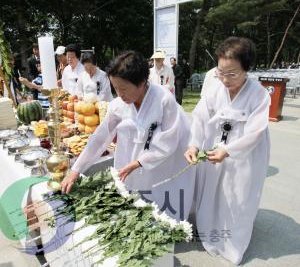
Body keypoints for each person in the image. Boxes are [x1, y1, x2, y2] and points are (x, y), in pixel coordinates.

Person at [61, 51, 195, 221]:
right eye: (115, 88)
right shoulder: (119, 105)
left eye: (123, 89)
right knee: (138, 200)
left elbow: (169, 139)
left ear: (141, 83)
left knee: (161, 201)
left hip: (164, 160)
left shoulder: (163, 100)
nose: (119, 94)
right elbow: (101, 137)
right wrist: (76, 169)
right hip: (134, 160)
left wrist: (140, 162)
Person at [184, 37, 270, 265]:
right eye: (221, 73)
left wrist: (228, 151)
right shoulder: (216, 89)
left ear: (247, 69)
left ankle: (233, 243)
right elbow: (200, 118)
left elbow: (255, 132)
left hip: (244, 155)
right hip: (215, 150)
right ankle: (210, 230)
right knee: (213, 192)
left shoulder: (259, 95)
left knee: (236, 196)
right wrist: (194, 143)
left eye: (232, 74)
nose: (225, 79)